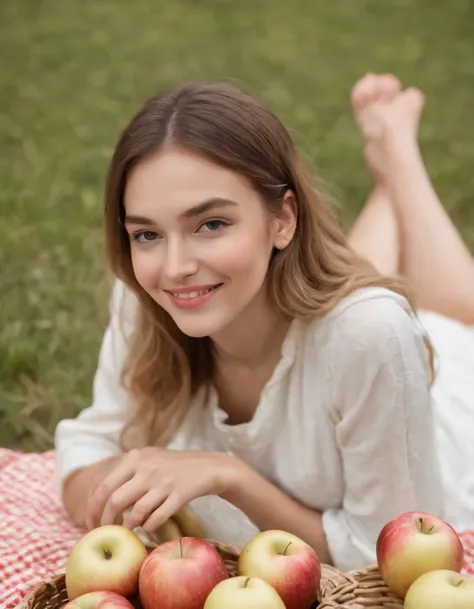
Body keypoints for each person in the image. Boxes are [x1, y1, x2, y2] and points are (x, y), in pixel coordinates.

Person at [54, 72, 474, 573]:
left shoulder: (370, 334)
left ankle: (399, 160)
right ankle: (388, 179)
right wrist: (125, 496)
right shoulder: (149, 299)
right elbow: (86, 447)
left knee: (451, 313)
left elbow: (389, 560)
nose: (174, 267)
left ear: (283, 218)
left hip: (446, 391)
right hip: (324, 323)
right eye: (147, 234)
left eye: (211, 224)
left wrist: (229, 477)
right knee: (354, 284)